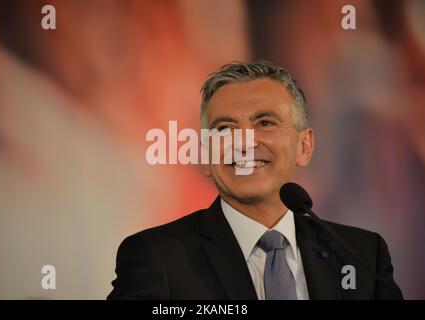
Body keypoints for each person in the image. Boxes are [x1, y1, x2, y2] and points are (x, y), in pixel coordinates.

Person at [107, 61, 403, 300]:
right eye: (225, 128)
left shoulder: (361, 254)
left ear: (304, 146)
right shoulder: (157, 257)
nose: (244, 143)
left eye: (265, 123)